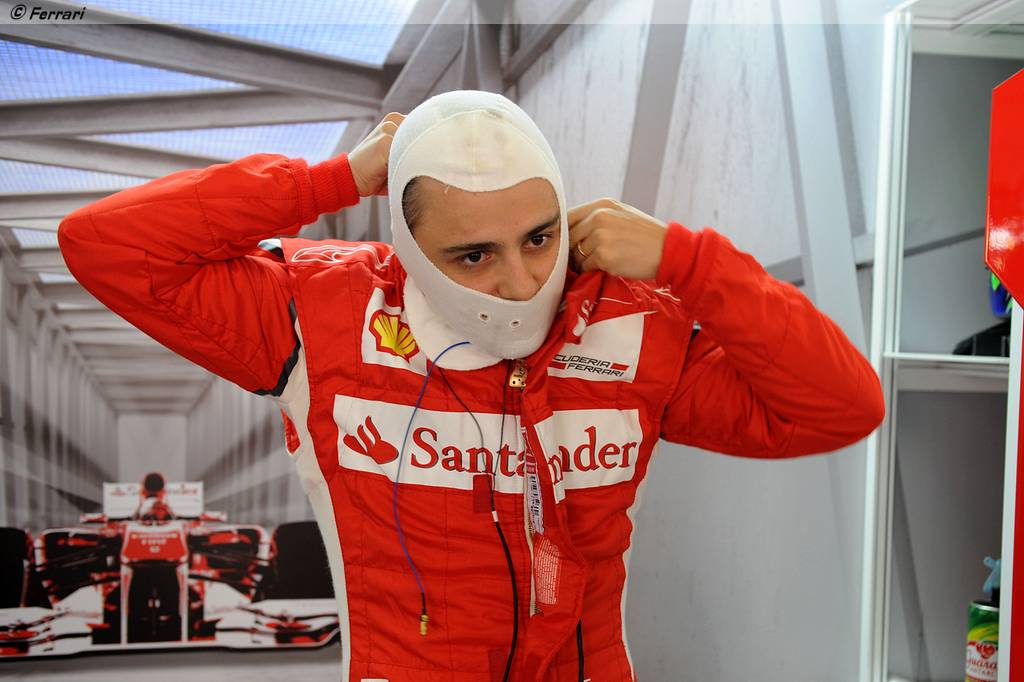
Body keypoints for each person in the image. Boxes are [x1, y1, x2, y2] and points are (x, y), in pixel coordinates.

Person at [58, 90, 885, 681]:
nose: (521, 282)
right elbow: (104, 245)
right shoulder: (318, 314)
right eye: (474, 255)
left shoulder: (634, 322)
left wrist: (691, 263)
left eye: (540, 238)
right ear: (411, 248)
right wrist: (330, 180)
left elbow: (841, 407)